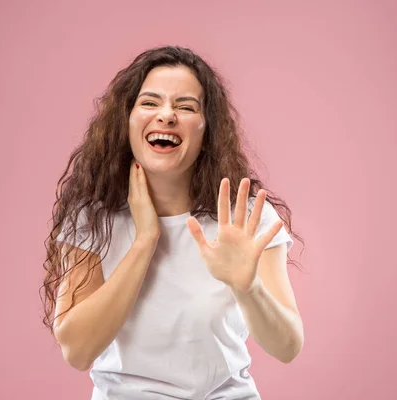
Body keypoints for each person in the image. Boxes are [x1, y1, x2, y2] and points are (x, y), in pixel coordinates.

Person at [41, 45, 304, 400]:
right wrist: (145, 240)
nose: (166, 115)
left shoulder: (244, 216)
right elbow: (77, 351)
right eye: (150, 103)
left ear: (206, 129)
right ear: (127, 119)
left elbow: (287, 347)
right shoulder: (94, 218)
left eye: (185, 107)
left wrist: (247, 287)